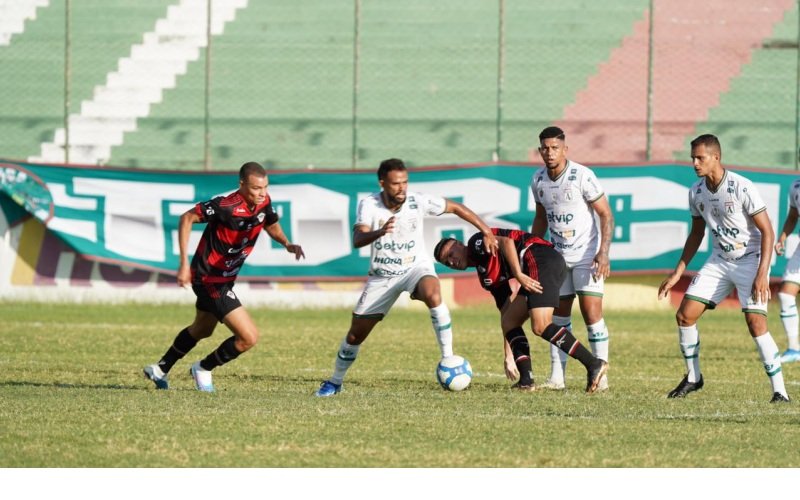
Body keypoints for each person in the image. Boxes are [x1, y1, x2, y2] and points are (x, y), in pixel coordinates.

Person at [314, 158, 499, 397]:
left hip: (415, 268)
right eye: (395, 183)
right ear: (382, 183)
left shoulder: (417, 201)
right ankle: (335, 381)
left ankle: (448, 358)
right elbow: (358, 239)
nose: (401, 188)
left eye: (405, 182)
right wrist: (380, 231)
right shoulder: (369, 204)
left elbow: (455, 207)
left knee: (433, 294)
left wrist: (485, 230)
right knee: (355, 335)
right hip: (383, 278)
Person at [143, 162, 305, 392]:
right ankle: (203, 368)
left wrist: (286, 243)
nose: (262, 193)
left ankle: (160, 369)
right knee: (248, 337)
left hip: (225, 278)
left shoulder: (264, 201)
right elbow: (186, 218)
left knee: (202, 329)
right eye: (256, 188)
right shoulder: (225, 205)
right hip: (209, 279)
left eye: (265, 187)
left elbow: (270, 223)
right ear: (241, 185)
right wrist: (182, 265)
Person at [658, 134, 790, 403]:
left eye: (700, 158)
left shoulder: (742, 187)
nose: (695, 162)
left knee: (756, 324)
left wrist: (762, 273)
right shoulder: (696, 191)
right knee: (685, 316)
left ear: (716, 157)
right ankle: (694, 377)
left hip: (750, 259)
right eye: (693, 157)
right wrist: (678, 272)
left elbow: (767, 231)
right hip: (719, 260)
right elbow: (696, 234)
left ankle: (780, 391)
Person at [433, 228, 609, 393]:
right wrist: (508, 356)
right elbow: (506, 311)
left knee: (540, 325)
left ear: (459, 244)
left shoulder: (475, 243)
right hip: (535, 268)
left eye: (451, 254)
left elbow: (506, 242)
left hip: (539, 257)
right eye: (446, 262)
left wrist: (517, 274)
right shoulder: (486, 276)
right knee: (509, 322)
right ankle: (526, 380)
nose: (451, 261)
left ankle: (593, 364)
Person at [530, 126, 614, 391]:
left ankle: (602, 376)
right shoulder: (538, 180)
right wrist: (532, 248)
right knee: (559, 317)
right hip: (556, 258)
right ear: (540, 150)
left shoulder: (582, 176)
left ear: (565, 149)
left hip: (586, 256)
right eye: (545, 148)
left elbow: (605, 214)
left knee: (591, 313)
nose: (549, 153)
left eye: (555, 148)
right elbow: (541, 217)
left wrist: (604, 252)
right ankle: (557, 377)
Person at [773, 177, 800, 363]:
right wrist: (782, 236)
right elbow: (793, 216)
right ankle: (793, 350)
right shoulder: (795, 186)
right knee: (786, 294)